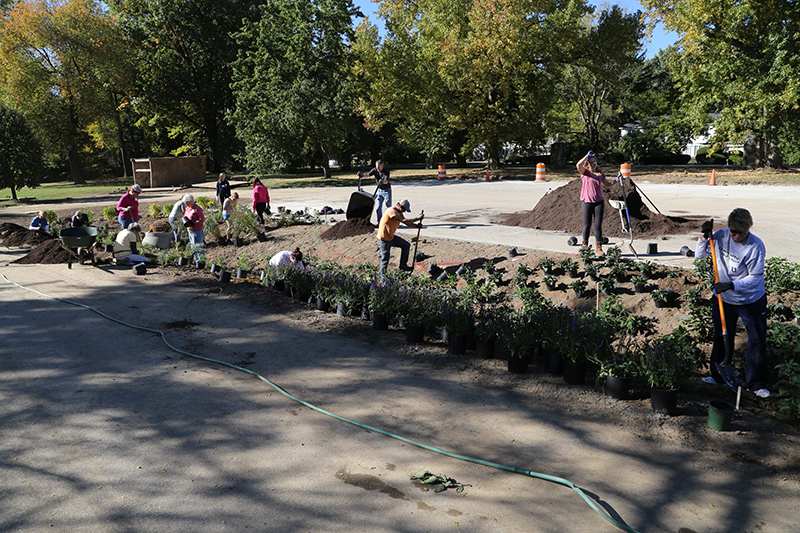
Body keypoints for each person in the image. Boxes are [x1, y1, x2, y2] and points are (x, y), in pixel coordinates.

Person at [695, 208, 770, 398]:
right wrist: (704, 238)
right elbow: (700, 256)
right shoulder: (720, 236)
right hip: (724, 299)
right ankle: (717, 375)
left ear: (748, 229)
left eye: (742, 232)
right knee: (721, 336)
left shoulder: (755, 246)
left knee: (757, 341)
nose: (737, 236)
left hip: (750, 300)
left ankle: (756, 384)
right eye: (734, 231)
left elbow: (755, 278)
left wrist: (731, 285)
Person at [576, 150, 616, 256]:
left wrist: (616, 180)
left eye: (595, 161)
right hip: (587, 202)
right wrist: (586, 156)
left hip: (599, 202)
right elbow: (578, 164)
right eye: (591, 162)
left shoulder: (600, 173)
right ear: (587, 164)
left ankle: (599, 248)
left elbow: (607, 184)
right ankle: (585, 247)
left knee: (598, 225)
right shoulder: (584, 173)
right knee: (587, 225)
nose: (594, 163)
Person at [377, 199, 422, 279]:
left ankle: (403, 266)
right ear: (400, 206)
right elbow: (403, 220)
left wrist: (416, 226)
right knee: (385, 260)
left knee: (406, 245)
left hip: (391, 238)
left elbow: (406, 223)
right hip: (384, 240)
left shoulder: (399, 212)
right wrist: (417, 218)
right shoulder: (391, 211)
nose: (404, 212)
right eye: (404, 209)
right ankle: (382, 280)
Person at [182, 196, 206, 263]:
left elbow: (202, 219)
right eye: (185, 203)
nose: (186, 204)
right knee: (193, 247)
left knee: (198, 246)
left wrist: (193, 223)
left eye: (187, 202)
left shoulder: (197, 209)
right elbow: (185, 216)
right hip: (190, 230)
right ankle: (197, 260)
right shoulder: (188, 208)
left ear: (191, 201)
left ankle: (202, 261)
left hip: (197, 230)